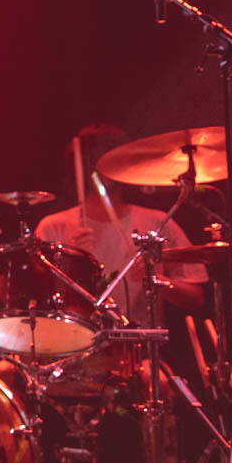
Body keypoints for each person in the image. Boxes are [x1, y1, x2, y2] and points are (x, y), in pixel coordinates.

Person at [34, 124, 206, 326]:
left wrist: (156, 280)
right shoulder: (52, 228)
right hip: (73, 342)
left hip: (140, 343)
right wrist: (71, 265)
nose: (102, 171)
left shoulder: (157, 223)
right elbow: (35, 302)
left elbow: (195, 297)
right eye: (93, 160)